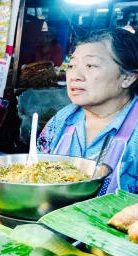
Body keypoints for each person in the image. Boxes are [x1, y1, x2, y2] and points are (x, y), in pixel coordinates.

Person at [38, 29, 138, 194]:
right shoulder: (61, 120)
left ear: (127, 78)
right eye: (71, 65)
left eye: (90, 65)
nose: (74, 76)